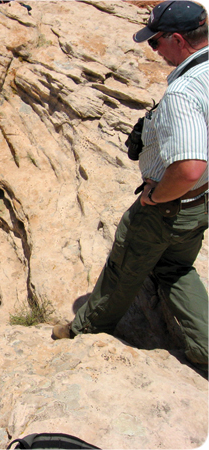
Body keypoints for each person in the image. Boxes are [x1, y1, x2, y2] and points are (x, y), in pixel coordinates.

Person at [52, 0, 209, 368]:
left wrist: (154, 197)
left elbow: (188, 168)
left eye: (155, 43)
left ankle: (83, 331)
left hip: (169, 207)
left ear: (177, 40)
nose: (153, 51)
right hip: (202, 203)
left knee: (122, 271)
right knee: (174, 268)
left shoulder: (184, 92)